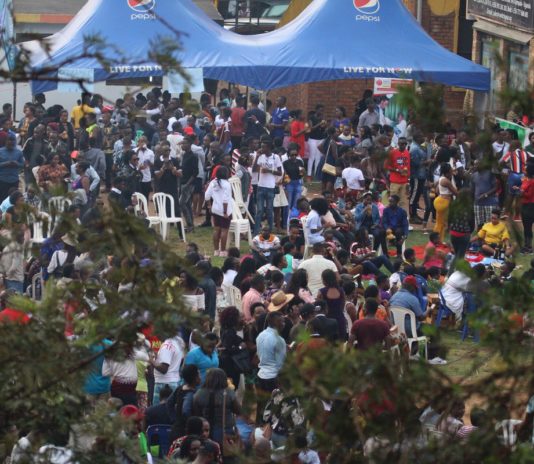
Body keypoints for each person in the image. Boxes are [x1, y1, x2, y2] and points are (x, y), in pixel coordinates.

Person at [193, 368, 241, 446]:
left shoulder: (199, 393)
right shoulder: (228, 393)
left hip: (205, 431)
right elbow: (238, 410)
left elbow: (197, 413)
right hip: (225, 430)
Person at [256, 311, 287, 422]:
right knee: (274, 407)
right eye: (282, 321)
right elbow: (280, 364)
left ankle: (259, 425)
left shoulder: (261, 335)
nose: (284, 324)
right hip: (274, 377)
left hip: (261, 374)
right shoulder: (279, 340)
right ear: (275, 322)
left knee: (262, 404)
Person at [253, 138, 282, 234]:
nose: (261, 149)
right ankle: (256, 232)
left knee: (269, 210)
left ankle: (270, 231)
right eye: (261, 147)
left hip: (270, 187)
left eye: (263, 147)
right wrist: (257, 156)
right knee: (259, 210)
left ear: (269, 148)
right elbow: (254, 169)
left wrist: (269, 171)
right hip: (260, 186)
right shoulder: (260, 156)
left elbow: (280, 172)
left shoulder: (275, 157)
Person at [151, 333, 186, 405]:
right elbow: (181, 359)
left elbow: (164, 369)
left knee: (159, 410)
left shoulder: (167, 346)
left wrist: (151, 361)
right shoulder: (178, 341)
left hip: (164, 384)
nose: (156, 335)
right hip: (174, 381)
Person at [204, 166, 233, 257]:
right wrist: (225, 212)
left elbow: (206, 196)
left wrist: (209, 206)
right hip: (225, 210)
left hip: (215, 209)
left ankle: (216, 251)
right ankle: (223, 251)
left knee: (216, 230)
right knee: (224, 231)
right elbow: (225, 200)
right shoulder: (227, 184)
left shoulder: (213, 182)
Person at [218, 306, 245, 390]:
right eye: (238, 316)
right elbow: (228, 349)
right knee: (232, 386)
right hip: (230, 364)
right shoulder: (230, 331)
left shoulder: (224, 328)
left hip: (225, 362)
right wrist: (240, 347)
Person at [316, 269, 346, 340]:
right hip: (340, 318)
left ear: (324, 280)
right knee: (341, 341)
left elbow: (319, 308)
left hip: (327, 320)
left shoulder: (321, 292)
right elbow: (342, 305)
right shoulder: (341, 290)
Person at [384, 137, 411, 212]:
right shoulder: (392, 153)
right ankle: (391, 215)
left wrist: (408, 181)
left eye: (405, 144)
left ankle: (402, 216)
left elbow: (408, 167)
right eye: (402, 144)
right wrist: (397, 170)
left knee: (403, 202)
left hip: (404, 181)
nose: (404, 145)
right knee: (393, 201)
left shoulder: (407, 153)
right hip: (395, 181)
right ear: (398, 144)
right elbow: (386, 166)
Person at [433, 163, 458, 242]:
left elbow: (437, 190)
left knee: (440, 223)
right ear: (447, 172)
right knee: (441, 223)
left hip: (440, 200)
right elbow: (455, 193)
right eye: (451, 171)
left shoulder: (441, 179)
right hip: (444, 203)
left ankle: (439, 240)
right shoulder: (446, 181)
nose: (452, 172)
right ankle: (436, 240)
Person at [180, 136, 199, 232]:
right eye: (182, 143)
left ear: (190, 144)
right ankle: (190, 225)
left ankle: (190, 224)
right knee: (187, 204)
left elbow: (195, 173)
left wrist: (187, 184)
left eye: (184, 143)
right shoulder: (184, 155)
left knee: (182, 203)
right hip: (183, 182)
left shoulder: (193, 156)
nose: (182, 145)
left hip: (189, 183)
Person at [0, 134, 24, 202]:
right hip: (2, 180)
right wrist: (5, 164)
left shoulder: (19, 152)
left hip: (14, 180)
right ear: (5, 141)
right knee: (2, 199)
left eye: (13, 140)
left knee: (13, 200)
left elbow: (22, 165)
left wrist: (16, 164)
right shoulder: (0, 151)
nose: (11, 142)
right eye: (9, 140)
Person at [283, 143, 305, 212]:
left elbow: (301, 175)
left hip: (298, 183)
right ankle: (287, 217)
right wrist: (286, 185)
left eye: (296, 155)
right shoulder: (285, 163)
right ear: (289, 155)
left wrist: (303, 172)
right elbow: (285, 175)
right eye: (292, 155)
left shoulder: (300, 162)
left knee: (296, 202)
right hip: (289, 183)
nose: (294, 156)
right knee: (288, 203)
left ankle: (294, 216)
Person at [521, 163, 534, 254]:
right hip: (524, 205)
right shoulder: (525, 180)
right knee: (525, 226)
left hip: (530, 206)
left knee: (528, 226)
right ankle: (526, 245)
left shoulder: (532, 182)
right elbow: (523, 189)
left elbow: (529, 195)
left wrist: (521, 192)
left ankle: (529, 247)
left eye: (525, 169)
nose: (523, 171)